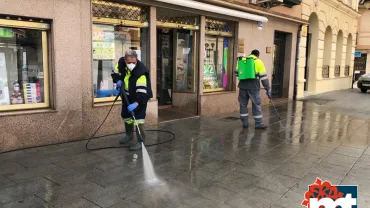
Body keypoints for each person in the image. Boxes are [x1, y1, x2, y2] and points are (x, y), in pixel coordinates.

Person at [111, 50, 153, 151]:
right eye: (129, 62)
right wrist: (118, 80)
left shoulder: (141, 72)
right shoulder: (121, 63)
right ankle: (129, 135)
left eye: (133, 62)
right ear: (125, 60)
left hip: (140, 97)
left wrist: (136, 103)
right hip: (127, 95)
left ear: (136, 60)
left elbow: (142, 92)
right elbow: (115, 73)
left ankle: (141, 141)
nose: (131, 64)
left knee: (138, 119)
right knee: (126, 115)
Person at [236, 49, 271, 129]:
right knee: (256, 104)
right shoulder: (259, 62)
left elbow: (236, 73)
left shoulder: (242, 60)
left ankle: (245, 123)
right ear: (257, 55)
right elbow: (264, 77)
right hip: (254, 87)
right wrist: (267, 89)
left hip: (242, 86)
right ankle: (258, 124)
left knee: (243, 104)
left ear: (250, 54)